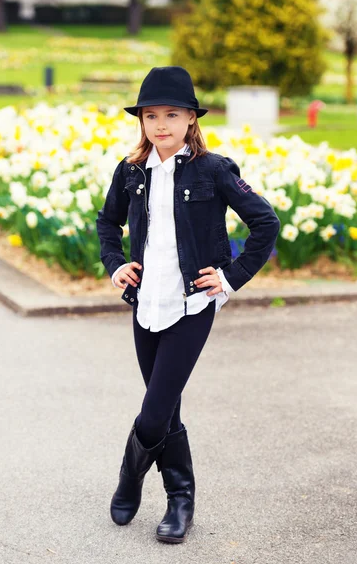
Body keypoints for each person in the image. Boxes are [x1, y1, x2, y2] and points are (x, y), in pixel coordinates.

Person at [95, 66, 280, 544]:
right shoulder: (130, 171)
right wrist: (115, 263)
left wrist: (230, 277)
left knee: (154, 412)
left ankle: (130, 476)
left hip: (191, 305)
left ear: (191, 120)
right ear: (141, 121)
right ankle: (181, 500)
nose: (160, 124)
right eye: (151, 115)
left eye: (172, 115)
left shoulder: (214, 170)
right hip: (144, 305)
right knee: (167, 410)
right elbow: (106, 223)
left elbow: (266, 224)